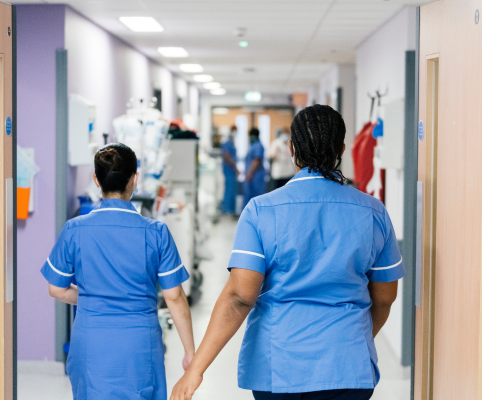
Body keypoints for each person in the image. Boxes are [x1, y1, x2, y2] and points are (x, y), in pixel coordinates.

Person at [171, 105, 405, 400]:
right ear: (342, 149)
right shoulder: (373, 211)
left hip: (279, 366)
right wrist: (350, 342)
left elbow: (240, 296)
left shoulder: (261, 211)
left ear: (292, 149)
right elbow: (385, 298)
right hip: (347, 364)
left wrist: (195, 371)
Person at [41, 143, 195, 400]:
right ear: (135, 179)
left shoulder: (74, 229)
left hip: (91, 343)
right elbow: (174, 298)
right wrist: (190, 352)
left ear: (96, 181)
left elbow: (56, 288)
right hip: (139, 345)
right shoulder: (156, 233)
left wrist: (93, 297)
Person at [243, 127, 266, 209]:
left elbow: (257, 161)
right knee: (249, 195)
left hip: (256, 175)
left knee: (257, 195)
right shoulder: (252, 146)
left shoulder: (259, 146)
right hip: (252, 175)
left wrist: (250, 173)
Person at [221, 126, 239, 215]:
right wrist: (235, 167)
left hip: (232, 171)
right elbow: (227, 157)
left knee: (232, 191)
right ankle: (227, 210)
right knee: (228, 190)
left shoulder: (232, 143)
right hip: (229, 171)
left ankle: (231, 209)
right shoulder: (226, 143)